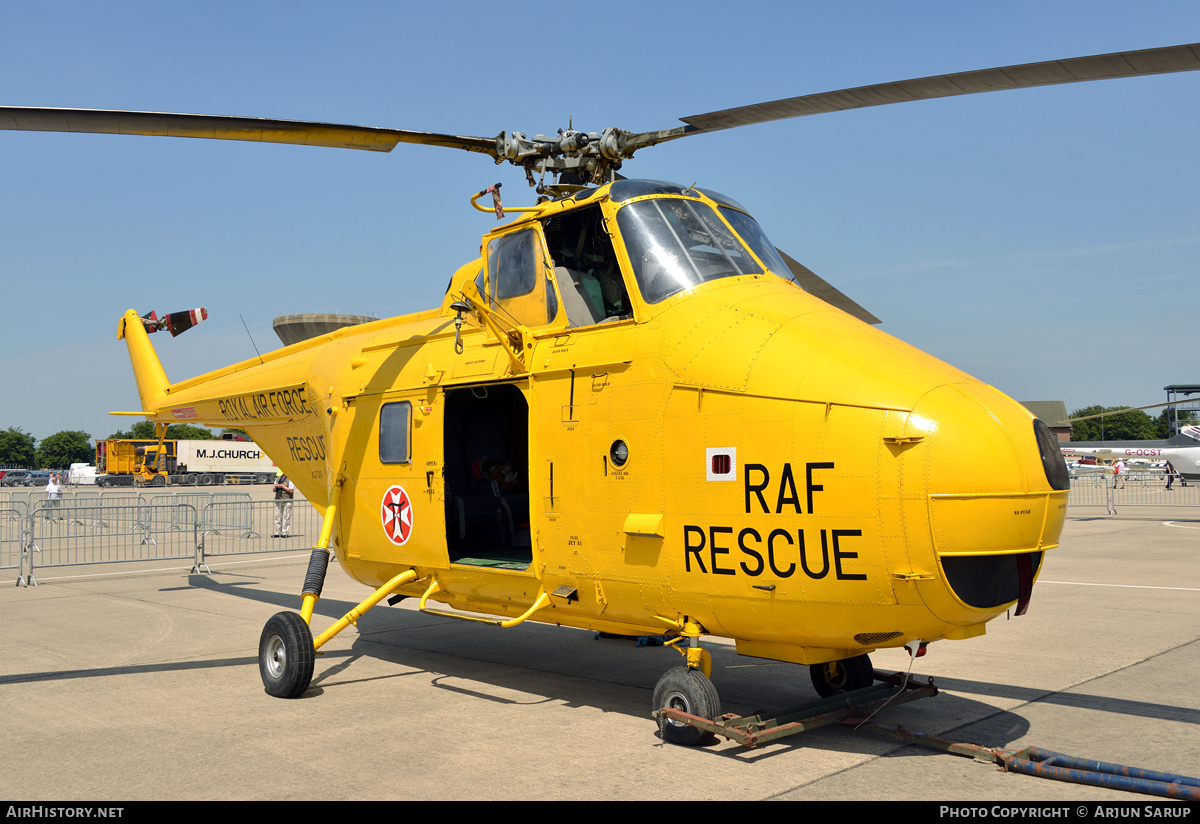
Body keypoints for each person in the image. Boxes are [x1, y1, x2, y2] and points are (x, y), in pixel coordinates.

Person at [273, 470, 295, 537]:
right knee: (277, 517)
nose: (280, 476)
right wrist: (275, 487)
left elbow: (291, 490)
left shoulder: (290, 479)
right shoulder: (277, 479)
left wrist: (282, 486)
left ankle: (285, 532)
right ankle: (277, 532)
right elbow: (273, 490)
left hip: (287, 500)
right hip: (278, 499)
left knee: (286, 517)